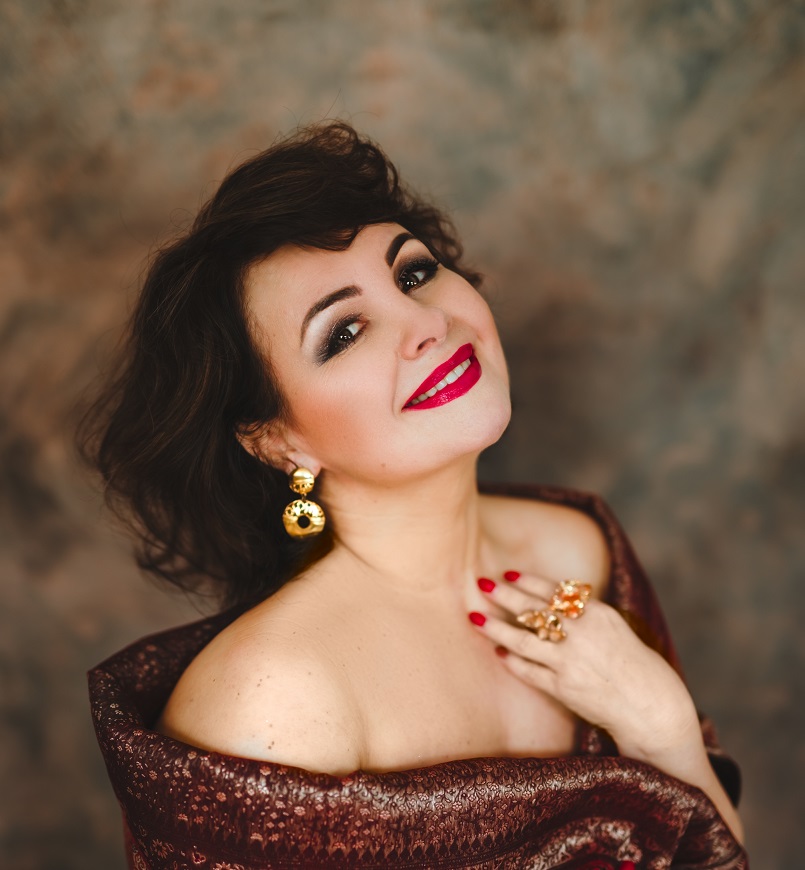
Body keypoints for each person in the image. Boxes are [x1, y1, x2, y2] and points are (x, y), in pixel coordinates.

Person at [83, 122, 747, 869]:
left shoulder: (578, 546)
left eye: (413, 273)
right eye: (344, 332)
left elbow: (716, 853)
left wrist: (664, 732)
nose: (428, 323)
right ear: (274, 439)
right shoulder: (271, 701)